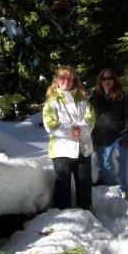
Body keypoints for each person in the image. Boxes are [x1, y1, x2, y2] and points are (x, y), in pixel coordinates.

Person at [42, 65, 96, 210]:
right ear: (57, 81)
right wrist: (70, 130)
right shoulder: (51, 101)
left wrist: (82, 129)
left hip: (83, 148)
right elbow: (49, 124)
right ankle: (62, 215)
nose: (66, 81)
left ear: (74, 81)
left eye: (69, 78)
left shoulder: (82, 99)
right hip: (61, 150)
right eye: (62, 78)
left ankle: (86, 213)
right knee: (63, 184)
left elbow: (91, 118)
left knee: (84, 183)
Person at [90, 68, 128, 203]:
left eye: (109, 78)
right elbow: (89, 121)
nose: (107, 81)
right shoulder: (94, 99)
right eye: (104, 79)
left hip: (119, 137)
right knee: (106, 169)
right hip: (101, 139)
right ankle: (110, 191)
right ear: (100, 81)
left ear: (114, 79)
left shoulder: (123, 97)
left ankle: (126, 189)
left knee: (126, 156)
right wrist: (91, 138)